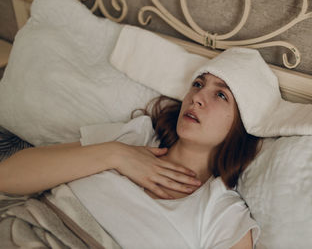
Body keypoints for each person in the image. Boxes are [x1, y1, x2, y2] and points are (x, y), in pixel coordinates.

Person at [0, 48, 266, 248]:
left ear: (243, 123)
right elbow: (8, 176)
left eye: (220, 95)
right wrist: (115, 155)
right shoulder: (134, 135)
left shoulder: (223, 213)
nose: (197, 97)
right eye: (198, 84)